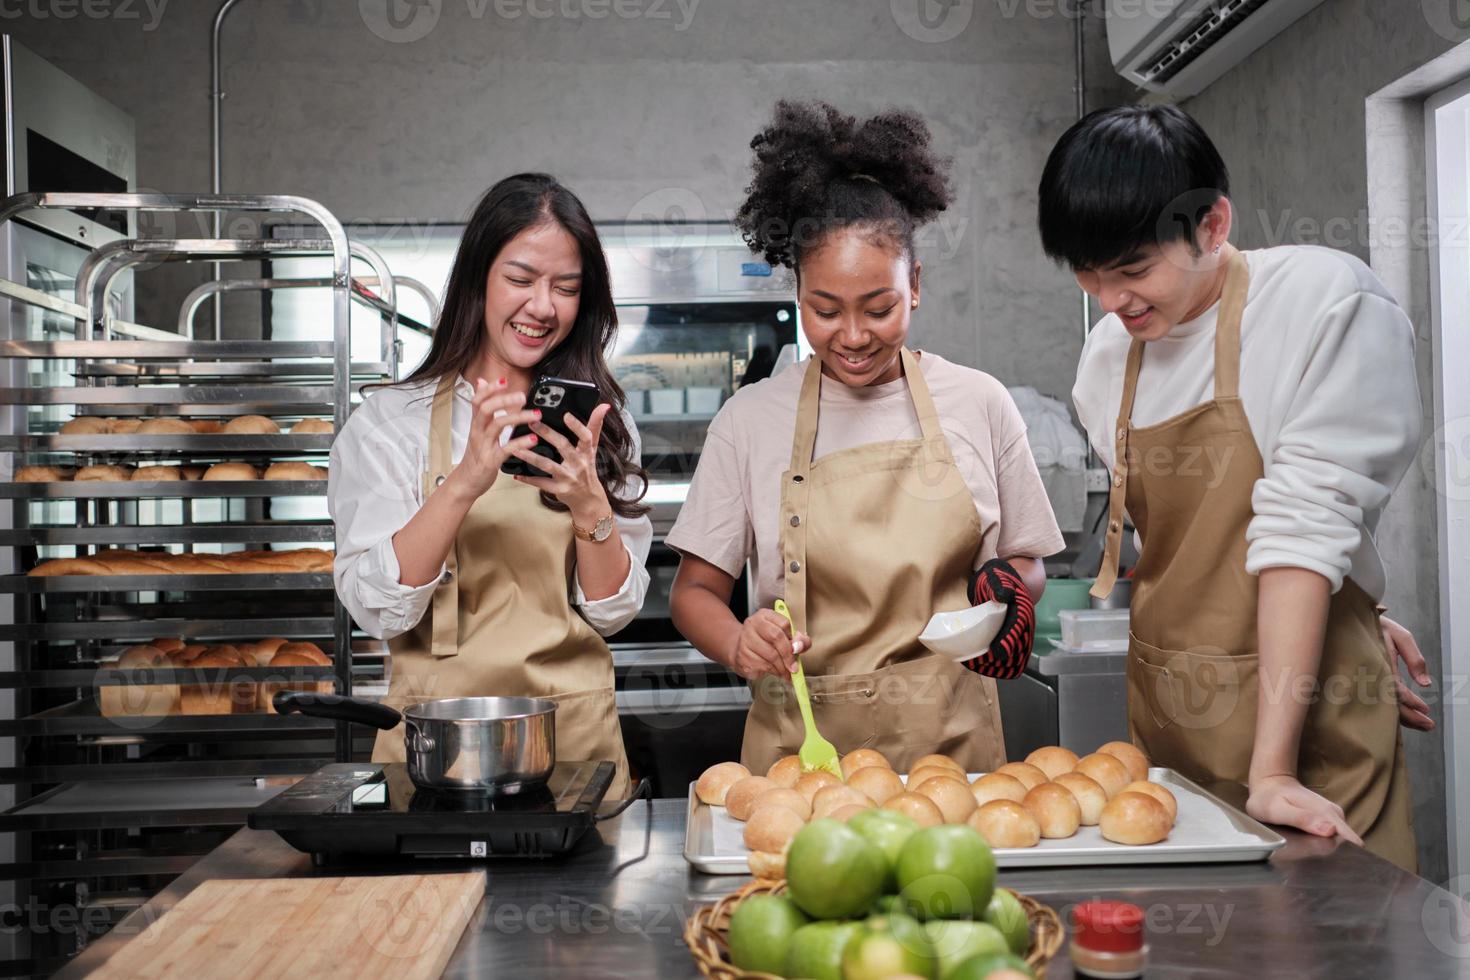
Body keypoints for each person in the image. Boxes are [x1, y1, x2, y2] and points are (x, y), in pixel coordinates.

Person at [1040, 104, 1429, 871]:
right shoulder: (1106, 357)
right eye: (1089, 276)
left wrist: (1273, 771)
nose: (1111, 300)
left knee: (1332, 943)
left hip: (1307, 725)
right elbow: (1190, 545)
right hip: (1173, 719)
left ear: (1213, 225)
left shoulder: (1324, 304)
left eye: (1133, 270)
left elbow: (1301, 529)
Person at [668, 101, 1065, 775]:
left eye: (878, 307)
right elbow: (693, 593)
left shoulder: (979, 402)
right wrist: (740, 643)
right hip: (804, 760)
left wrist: (1007, 593)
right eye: (826, 310)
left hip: (953, 757)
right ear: (798, 293)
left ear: (915, 286)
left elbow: (1028, 562)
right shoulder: (750, 420)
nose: (853, 336)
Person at [330, 173, 652, 797]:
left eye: (566, 288)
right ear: (479, 276)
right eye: (521, 279)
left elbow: (613, 613)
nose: (543, 307)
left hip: (573, 747)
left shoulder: (599, 426)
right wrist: (463, 484)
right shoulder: (390, 423)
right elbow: (375, 608)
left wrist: (591, 507)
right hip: (435, 751)